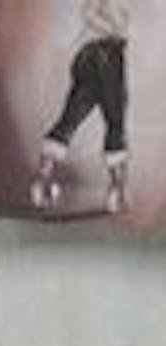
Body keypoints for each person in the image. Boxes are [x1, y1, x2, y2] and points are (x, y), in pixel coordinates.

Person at [30, 0, 130, 214]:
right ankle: (117, 190)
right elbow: (90, 13)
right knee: (115, 120)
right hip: (106, 54)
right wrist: (116, 30)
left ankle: (43, 180)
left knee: (71, 117)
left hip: (89, 55)